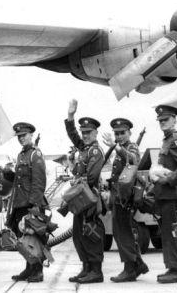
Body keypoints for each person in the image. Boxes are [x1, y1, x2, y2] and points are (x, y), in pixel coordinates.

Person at [0, 121, 47, 283]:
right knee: (23, 239)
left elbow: (39, 182)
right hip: (20, 204)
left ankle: (38, 271)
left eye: (24, 135)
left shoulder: (35, 154)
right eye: (19, 136)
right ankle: (29, 268)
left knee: (34, 240)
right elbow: (21, 181)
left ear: (31, 135)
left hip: (31, 205)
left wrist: (34, 206)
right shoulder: (21, 155)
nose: (21, 139)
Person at [102, 118, 149, 282]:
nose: (119, 136)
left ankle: (130, 269)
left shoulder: (132, 147)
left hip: (125, 199)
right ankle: (138, 264)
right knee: (122, 231)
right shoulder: (122, 148)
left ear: (129, 133)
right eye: (117, 133)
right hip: (119, 197)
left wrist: (116, 146)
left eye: (122, 133)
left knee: (122, 232)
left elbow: (134, 160)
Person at [64, 99, 105, 284]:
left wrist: (76, 181)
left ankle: (96, 271)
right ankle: (86, 267)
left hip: (89, 199)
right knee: (79, 235)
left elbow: (91, 178)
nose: (85, 136)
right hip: (81, 199)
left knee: (91, 233)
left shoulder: (95, 152)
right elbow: (73, 136)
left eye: (89, 132)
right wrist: (70, 117)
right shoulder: (85, 149)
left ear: (96, 132)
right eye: (84, 133)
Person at [153, 104, 177, 284]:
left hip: (173, 195)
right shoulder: (167, 141)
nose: (162, 123)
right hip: (167, 196)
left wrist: (167, 179)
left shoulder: (175, 141)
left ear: (174, 120)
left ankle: (176, 270)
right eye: (160, 120)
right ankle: (172, 267)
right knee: (168, 234)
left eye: (166, 120)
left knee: (171, 234)